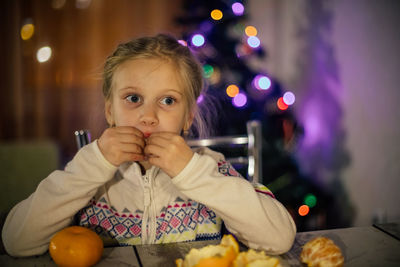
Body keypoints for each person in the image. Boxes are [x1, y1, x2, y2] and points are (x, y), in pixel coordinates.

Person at [2, 34, 296, 257]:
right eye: (133, 99)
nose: (148, 117)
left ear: (188, 116)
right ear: (109, 111)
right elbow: (16, 241)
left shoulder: (210, 167)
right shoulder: (89, 173)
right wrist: (93, 164)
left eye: (168, 101)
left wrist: (194, 173)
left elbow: (280, 238)